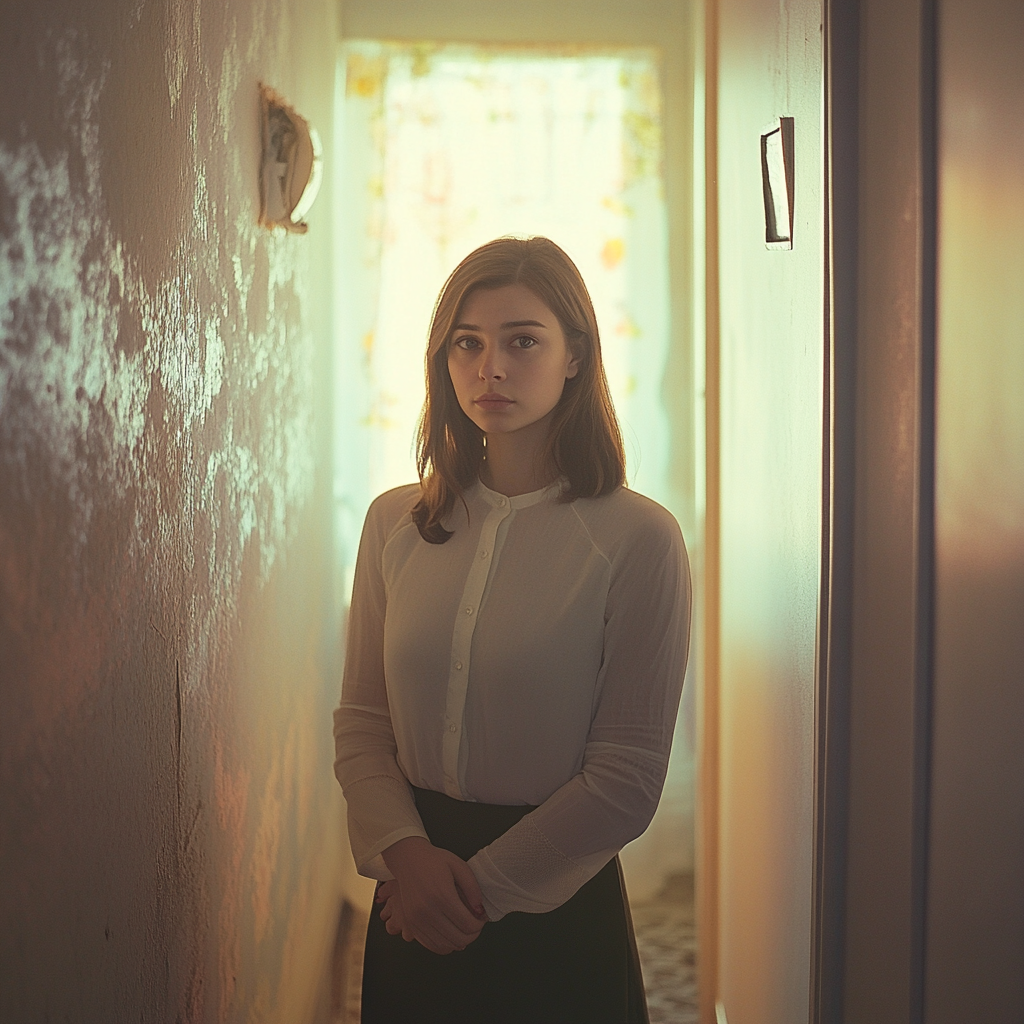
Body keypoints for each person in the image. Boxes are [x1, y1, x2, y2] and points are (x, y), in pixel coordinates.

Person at [333, 236, 691, 1024]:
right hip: (413, 879)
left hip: (555, 900)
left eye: (521, 340)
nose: (489, 367)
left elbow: (627, 776)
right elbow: (362, 720)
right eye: (468, 342)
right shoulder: (395, 522)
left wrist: (473, 892)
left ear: (575, 356)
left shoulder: (638, 539)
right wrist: (407, 857)